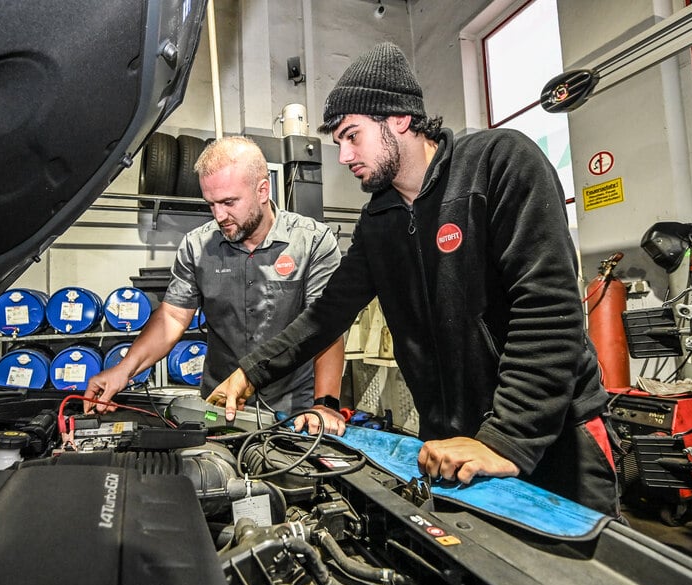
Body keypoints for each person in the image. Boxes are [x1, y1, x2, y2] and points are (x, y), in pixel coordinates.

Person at [208, 43, 620, 517]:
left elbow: (547, 307)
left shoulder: (499, 164)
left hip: (549, 435)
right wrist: (250, 372)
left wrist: (507, 438)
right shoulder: (380, 219)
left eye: (351, 136)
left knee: (581, 582)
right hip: (452, 446)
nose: (342, 155)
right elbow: (327, 314)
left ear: (398, 118)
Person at [83, 136, 346, 434]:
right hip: (220, 405)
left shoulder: (312, 242)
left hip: (294, 408)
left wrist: (325, 403)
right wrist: (123, 370)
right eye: (211, 204)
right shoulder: (197, 247)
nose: (219, 215)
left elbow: (325, 327)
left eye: (229, 202)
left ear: (262, 190)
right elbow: (172, 318)